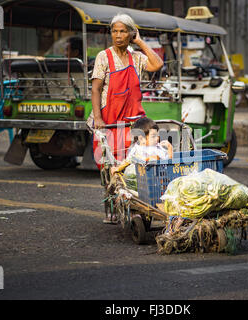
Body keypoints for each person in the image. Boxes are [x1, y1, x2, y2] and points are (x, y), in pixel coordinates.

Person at [88, 13, 164, 168]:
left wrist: (140, 41)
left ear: (131, 33)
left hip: (133, 120)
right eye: (114, 31)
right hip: (110, 120)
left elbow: (157, 64)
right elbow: (95, 89)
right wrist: (98, 119)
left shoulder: (136, 57)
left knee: (139, 160)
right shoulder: (104, 57)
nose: (118, 35)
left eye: (123, 31)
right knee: (111, 164)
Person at [104, 118, 173, 224]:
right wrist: (117, 168)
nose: (157, 138)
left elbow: (170, 160)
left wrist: (170, 148)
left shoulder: (158, 148)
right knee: (131, 180)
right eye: (153, 136)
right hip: (141, 182)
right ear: (141, 139)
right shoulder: (137, 149)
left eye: (157, 135)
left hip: (158, 181)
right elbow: (128, 161)